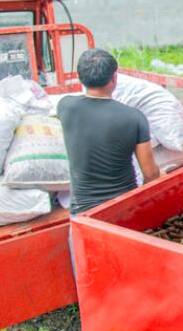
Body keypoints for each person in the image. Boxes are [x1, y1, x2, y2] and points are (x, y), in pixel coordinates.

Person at [58, 48, 162, 215]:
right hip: (124, 210)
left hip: (83, 213)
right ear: (114, 78)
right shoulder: (134, 118)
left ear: (80, 78)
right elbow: (150, 173)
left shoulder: (65, 106)